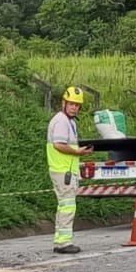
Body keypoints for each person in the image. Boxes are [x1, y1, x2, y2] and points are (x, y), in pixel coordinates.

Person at [47, 86, 95, 254]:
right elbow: (59, 145)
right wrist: (77, 152)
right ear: (64, 103)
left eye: (77, 105)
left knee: (65, 206)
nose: (74, 107)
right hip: (62, 171)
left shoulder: (69, 122)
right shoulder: (61, 121)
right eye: (71, 104)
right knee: (67, 206)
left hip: (65, 170)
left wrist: (79, 153)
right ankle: (63, 242)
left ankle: (61, 240)